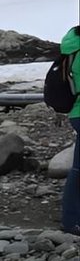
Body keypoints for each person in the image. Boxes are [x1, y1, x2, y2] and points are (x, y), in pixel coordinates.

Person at [61, 25, 80, 235]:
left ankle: (71, 218)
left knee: (77, 169)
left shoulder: (72, 48)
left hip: (76, 112)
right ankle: (71, 220)